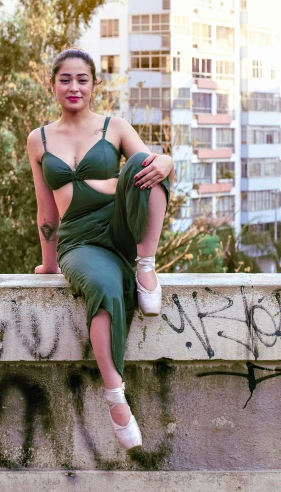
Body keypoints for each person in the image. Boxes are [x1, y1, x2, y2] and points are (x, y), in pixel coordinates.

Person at [27, 48, 172, 450]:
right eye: (65, 79)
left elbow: (152, 163)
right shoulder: (38, 139)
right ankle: (116, 398)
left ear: (94, 85)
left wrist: (169, 161)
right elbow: (45, 209)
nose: (74, 87)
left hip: (120, 228)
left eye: (82, 79)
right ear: (53, 84)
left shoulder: (115, 126)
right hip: (80, 240)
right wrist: (49, 264)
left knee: (148, 162)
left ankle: (146, 266)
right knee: (105, 288)